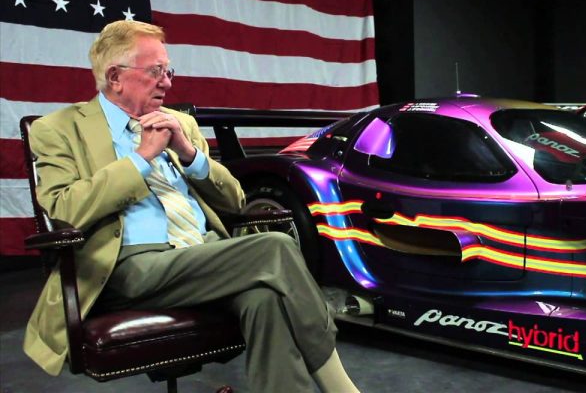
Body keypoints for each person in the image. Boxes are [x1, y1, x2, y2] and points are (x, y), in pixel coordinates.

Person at [22, 20, 360, 393]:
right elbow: (64, 208)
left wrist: (190, 155)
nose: (167, 82)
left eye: (169, 71)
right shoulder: (59, 129)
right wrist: (140, 159)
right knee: (275, 247)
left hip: (203, 252)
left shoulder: (180, 124)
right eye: (156, 71)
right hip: (129, 264)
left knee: (265, 299)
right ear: (115, 77)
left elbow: (235, 201)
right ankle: (341, 387)